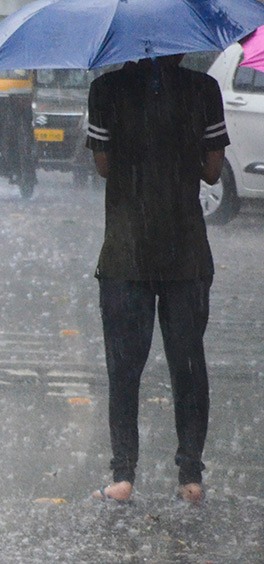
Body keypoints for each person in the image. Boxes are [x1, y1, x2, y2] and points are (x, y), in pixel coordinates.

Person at [85, 53, 227, 505]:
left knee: (124, 369)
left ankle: (123, 475)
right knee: (188, 366)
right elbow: (211, 170)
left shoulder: (106, 90)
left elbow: (104, 166)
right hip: (185, 252)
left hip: (127, 253)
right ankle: (190, 477)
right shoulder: (203, 90)